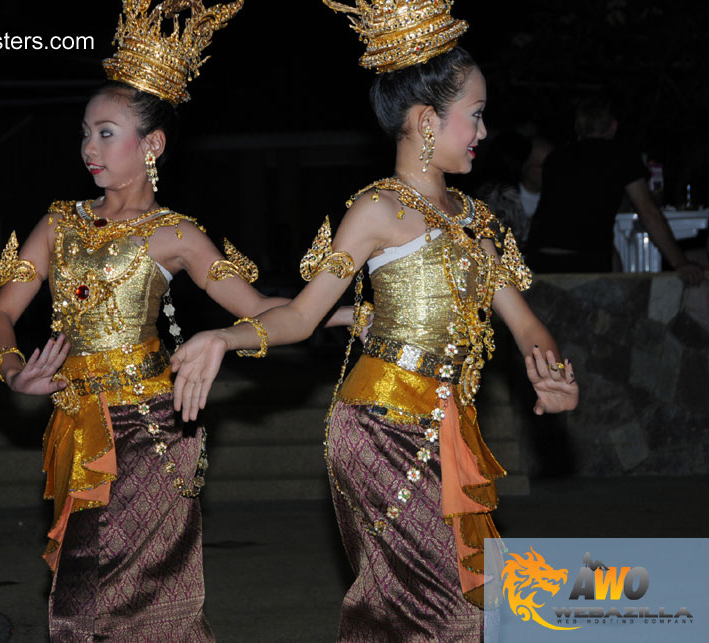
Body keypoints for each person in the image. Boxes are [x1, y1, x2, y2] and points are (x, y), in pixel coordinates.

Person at [171, 1, 579, 640]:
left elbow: (526, 324)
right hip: (380, 424)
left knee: (471, 606)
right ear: (425, 121)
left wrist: (549, 369)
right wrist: (225, 336)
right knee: (444, 612)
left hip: (448, 425)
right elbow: (300, 316)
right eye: (475, 114)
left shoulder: (477, 221)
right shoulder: (378, 210)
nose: (483, 129)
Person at [0, 2, 353, 639]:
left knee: (138, 598)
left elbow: (258, 309)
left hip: (152, 426)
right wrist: (13, 370)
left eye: (106, 133)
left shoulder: (175, 234)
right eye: (85, 132)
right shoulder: (58, 223)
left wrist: (335, 312)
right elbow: (0, 312)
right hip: (78, 419)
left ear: (151, 145)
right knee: (83, 590)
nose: (88, 147)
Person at [526, 96, 704, 285]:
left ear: (578, 128)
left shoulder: (556, 157)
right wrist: (680, 263)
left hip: (539, 257)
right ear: (613, 126)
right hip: (584, 262)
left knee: (613, 258)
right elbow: (648, 211)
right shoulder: (621, 156)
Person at [479, 133, 552, 250]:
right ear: (525, 166)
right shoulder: (498, 197)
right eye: (544, 166)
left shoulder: (559, 198)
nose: (551, 171)